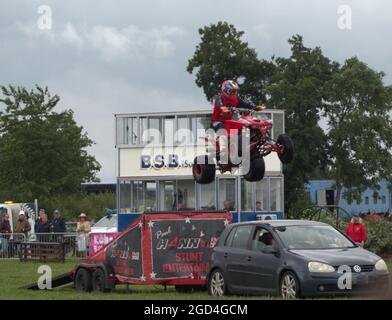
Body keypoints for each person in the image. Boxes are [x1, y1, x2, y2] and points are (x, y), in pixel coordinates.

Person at [211, 80, 265, 158]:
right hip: (217, 122)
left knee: (243, 126)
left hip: (228, 122)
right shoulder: (219, 97)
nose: (233, 93)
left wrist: (255, 107)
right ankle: (223, 151)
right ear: (225, 90)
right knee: (222, 131)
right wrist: (224, 108)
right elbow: (220, 105)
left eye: (235, 91)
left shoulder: (235, 99)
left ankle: (253, 142)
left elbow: (246, 104)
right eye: (231, 91)